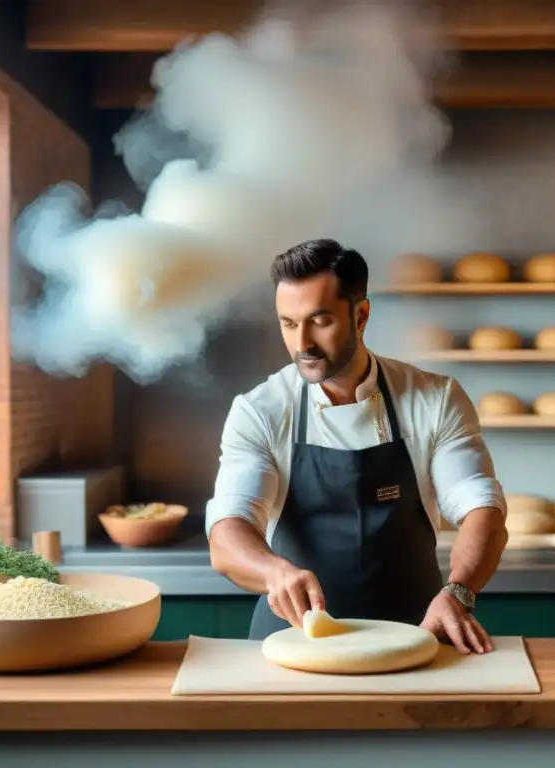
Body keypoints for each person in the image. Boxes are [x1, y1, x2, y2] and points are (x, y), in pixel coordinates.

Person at [206, 238, 508, 653]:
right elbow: (227, 534)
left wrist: (459, 591)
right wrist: (273, 572)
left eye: (320, 321)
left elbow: (482, 511)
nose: (302, 344)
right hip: (291, 648)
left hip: (417, 639)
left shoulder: (433, 398)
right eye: (289, 324)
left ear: (361, 314)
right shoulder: (260, 410)